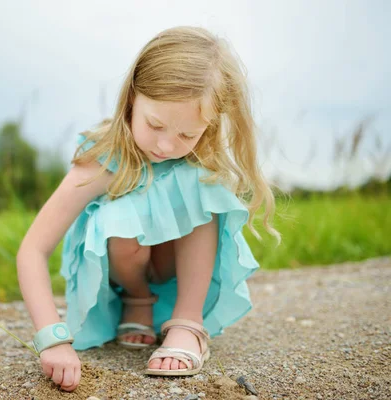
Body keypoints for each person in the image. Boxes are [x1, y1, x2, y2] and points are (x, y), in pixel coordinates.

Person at [16, 25, 281, 392]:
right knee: (119, 214)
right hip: (125, 272)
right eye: (154, 124)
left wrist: (193, 152)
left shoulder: (200, 162)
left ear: (209, 125)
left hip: (178, 271)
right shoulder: (100, 162)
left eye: (188, 135)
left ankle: (188, 322)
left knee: (201, 186)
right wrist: (53, 338)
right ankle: (138, 300)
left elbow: (195, 168)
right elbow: (33, 249)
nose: (166, 145)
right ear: (131, 100)